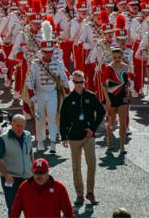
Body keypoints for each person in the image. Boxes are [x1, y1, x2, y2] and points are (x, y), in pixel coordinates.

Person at [60, 70, 105, 206]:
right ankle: (80, 194)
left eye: (81, 82)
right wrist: (63, 136)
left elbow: (101, 111)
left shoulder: (91, 96)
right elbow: (63, 119)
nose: (79, 85)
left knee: (91, 164)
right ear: (73, 82)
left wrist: (93, 128)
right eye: (76, 82)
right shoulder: (68, 99)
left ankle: (90, 193)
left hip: (88, 136)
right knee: (76, 167)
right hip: (74, 137)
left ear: (84, 81)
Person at [0, 114, 33, 216]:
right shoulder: (3, 138)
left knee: (29, 206)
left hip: (27, 177)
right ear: (12, 124)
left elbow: (30, 153)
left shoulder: (28, 135)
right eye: (17, 126)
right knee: (13, 208)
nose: (20, 129)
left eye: (22, 126)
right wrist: (6, 175)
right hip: (11, 178)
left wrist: (33, 169)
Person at [102, 47, 131, 154]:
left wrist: (128, 95)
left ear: (122, 56)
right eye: (115, 57)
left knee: (123, 124)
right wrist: (107, 100)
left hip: (122, 97)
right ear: (112, 57)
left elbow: (127, 83)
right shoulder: (108, 67)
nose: (117, 59)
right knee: (111, 123)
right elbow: (104, 85)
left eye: (119, 57)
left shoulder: (126, 67)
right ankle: (110, 143)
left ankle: (122, 146)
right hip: (111, 97)